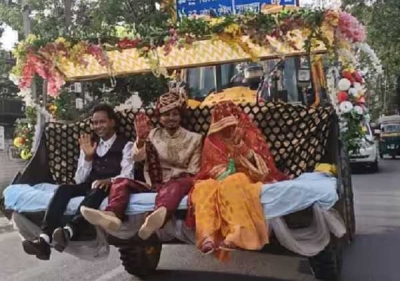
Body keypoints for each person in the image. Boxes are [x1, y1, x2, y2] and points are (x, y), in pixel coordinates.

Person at [81, 86, 203, 240]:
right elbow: (137, 158)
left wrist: (174, 179)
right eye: (166, 115)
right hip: (153, 185)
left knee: (176, 184)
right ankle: (112, 215)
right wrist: (140, 141)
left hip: (179, 184)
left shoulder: (195, 138)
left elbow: (194, 171)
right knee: (120, 181)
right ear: (159, 118)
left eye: (174, 114)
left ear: (181, 116)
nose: (171, 118)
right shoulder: (152, 135)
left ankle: (158, 216)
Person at [22, 104, 134, 260]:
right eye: (95, 123)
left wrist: (110, 181)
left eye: (102, 122)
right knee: (63, 189)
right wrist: (87, 157)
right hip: (90, 184)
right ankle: (44, 238)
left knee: (97, 190)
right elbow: (79, 179)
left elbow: (128, 174)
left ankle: (69, 230)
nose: (98, 126)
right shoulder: (90, 144)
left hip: (112, 187)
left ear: (112, 122)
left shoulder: (126, 145)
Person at [186, 101, 289, 259]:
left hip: (246, 176)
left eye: (230, 125)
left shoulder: (248, 134)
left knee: (233, 182)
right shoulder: (211, 140)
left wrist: (241, 146)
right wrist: (223, 172)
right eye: (223, 127)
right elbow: (208, 167)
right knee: (203, 187)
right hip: (218, 178)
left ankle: (237, 233)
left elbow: (262, 169)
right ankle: (208, 235)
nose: (227, 130)